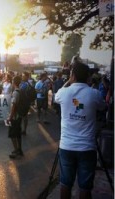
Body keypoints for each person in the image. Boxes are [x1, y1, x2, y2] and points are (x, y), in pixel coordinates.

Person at [55, 62, 105, 199]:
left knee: (65, 183)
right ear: (88, 77)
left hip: (67, 147)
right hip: (87, 147)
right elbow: (102, 107)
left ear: (72, 75)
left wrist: (68, 82)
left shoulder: (63, 92)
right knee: (85, 186)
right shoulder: (94, 94)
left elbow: (55, 97)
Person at [7, 75, 24, 159]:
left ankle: (16, 150)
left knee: (13, 135)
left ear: (14, 82)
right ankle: (19, 149)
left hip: (15, 117)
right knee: (18, 134)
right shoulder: (20, 91)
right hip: (19, 116)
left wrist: (10, 117)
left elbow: (14, 106)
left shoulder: (15, 92)